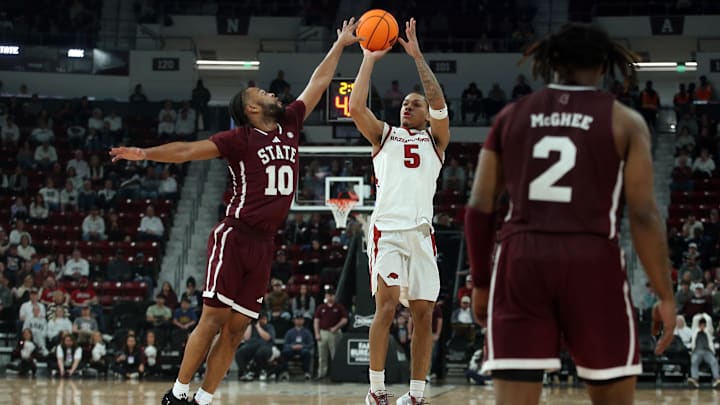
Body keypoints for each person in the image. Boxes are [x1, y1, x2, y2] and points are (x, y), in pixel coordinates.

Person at [109, 18, 360, 405]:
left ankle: (204, 400)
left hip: (265, 243)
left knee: (236, 329)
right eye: (261, 91)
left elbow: (320, 82)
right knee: (212, 320)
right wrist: (145, 154)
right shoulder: (238, 138)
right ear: (251, 107)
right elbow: (187, 150)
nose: (270, 92)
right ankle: (177, 395)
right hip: (235, 235)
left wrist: (341, 43)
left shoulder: (290, 122)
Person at [463, 23, 675, 405]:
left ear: (552, 62)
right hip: (592, 257)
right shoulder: (625, 121)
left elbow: (480, 206)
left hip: (521, 259)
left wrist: (480, 281)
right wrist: (665, 295)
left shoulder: (510, 116)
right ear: (604, 64)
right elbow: (643, 214)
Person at [349, 18, 450, 405]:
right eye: (405, 103)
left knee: (423, 315)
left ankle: (417, 395)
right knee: (387, 306)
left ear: (427, 115)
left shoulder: (437, 139)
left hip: (422, 235)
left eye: (416, 104)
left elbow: (438, 101)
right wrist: (369, 59)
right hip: (388, 230)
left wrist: (417, 56)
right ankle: (376, 391)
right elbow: (356, 106)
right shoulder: (384, 134)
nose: (409, 106)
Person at [313, 288, 348, 380]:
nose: (330, 297)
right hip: (323, 332)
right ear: (325, 296)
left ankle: (336, 374)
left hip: (334, 333)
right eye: (328, 295)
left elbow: (344, 319)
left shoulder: (339, 307)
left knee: (334, 355)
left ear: (334, 296)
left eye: (332, 295)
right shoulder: (321, 307)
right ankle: (321, 374)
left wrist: (336, 327)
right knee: (322, 356)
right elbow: (316, 321)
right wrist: (317, 333)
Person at [277, 313, 314, 380]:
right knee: (284, 352)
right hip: (292, 349)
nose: (299, 321)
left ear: (303, 321)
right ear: (294, 320)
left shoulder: (307, 332)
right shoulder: (289, 332)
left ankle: (306, 372)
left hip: (302, 349)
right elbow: (285, 344)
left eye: (300, 319)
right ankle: (284, 372)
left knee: (307, 353)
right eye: (297, 319)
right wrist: (292, 346)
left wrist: (302, 346)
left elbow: (310, 344)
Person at [688, 317, 719, 388]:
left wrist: (703, 314)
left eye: (703, 325)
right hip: (697, 351)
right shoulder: (694, 332)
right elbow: (695, 319)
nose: (702, 327)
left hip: (707, 352)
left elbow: (709, 320)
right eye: (700, 325)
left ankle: (716, 379)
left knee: (714, 361)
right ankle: (695, 379)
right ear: (698, 325)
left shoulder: (709, 332)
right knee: (694, 361)